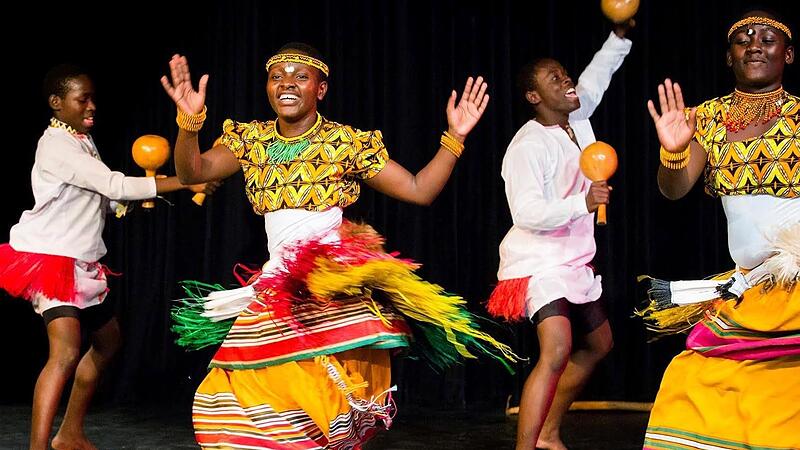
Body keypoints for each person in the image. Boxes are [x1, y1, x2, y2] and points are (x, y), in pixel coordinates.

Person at [160, 42, 517, 449]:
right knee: (246, 391)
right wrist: (189, 123)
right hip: (277, 283)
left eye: (300, 76)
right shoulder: (251, 139)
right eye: (277, 77)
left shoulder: (345, 142)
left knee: (323, 396)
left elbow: (420, 189)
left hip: (331, 283)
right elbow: (192, 172)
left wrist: (455, 137)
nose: (286, 84)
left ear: (321, 89)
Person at [0, 64, 217, 450]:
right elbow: (112, 183)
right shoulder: (56, 145)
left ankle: (70, 434)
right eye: (82, 99)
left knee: (108, 342)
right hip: (52, 259)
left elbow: (101, 192)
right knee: (65, 353)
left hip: (81, 261)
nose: (92, 106)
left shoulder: (81, 139)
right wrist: (185, 181)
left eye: (92, 98)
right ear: (56, 102)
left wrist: (122, 204)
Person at [641, 10, 799, 450]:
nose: (754, 45)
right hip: (751, 289)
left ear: (788, 54)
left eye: (767, 39)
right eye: (743, 39)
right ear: (729, 57)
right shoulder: (707, 117)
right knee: (699, 384)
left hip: (796, 286)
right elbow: (674, 189)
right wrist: (673, 151)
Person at [486, 21, 632, 450]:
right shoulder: (527, 146)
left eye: (565, 74)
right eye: (555, 79)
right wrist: (582, 203)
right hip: (538, 263)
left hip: (573, 260)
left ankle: (548, 434)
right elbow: (527, 212)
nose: (567, 81)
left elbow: (596, 77)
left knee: (599, 344)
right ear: (534, 97)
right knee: (556, 350)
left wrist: (618, 37)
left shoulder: (577, 120)